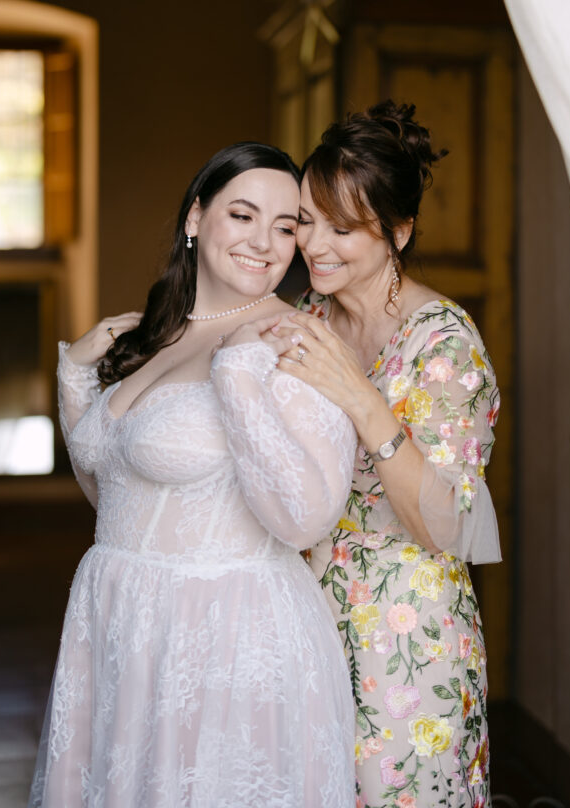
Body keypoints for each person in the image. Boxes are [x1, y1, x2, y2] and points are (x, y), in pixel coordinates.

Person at [28, 141, 357, 808]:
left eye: (286, 226)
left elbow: (307, 517)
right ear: (195, 218)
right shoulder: (161, 330)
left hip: (225, 636)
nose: (265, 242)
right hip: (123, 620)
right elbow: (111, 492)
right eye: (242, 215)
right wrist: (75, 381)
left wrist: (238, 382)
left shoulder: (290, 341)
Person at [275, 101, 501, 808]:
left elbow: (444, 527)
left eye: (343, 228)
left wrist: (362, 398)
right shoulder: (308, 318)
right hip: (306, 614)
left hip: (409, 632)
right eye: (307, 220)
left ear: (398, 233)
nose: (315, 245)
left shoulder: (444, 343)